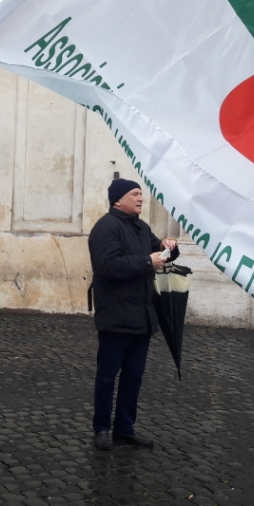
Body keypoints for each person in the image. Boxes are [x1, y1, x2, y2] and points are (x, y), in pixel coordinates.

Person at [88, 179, 179, 451]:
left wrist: (169, 246)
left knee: (133, 376)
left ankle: (125, 428)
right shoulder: (106, 227)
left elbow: (161, 254)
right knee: (107, 376)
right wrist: (147, 261)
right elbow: (107, 266)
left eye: (141, 194)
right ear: (118, 200)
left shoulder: (140, 227)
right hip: (116, 316)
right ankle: (101, 428)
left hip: (142, 317)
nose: (141, 198)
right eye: (135, 194)